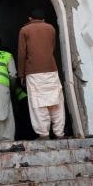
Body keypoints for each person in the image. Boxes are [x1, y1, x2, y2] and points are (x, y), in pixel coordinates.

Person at [18, 8, 65, 140]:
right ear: (43, 18)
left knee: (38, 103)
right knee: (56, 101)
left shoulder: (25, 30)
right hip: (51, 70)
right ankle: (59, 133)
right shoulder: (51, 28)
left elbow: (22, 54)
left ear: (30, 18)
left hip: (33, 72)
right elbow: (52, 47)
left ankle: (43, 134)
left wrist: (21, 74)